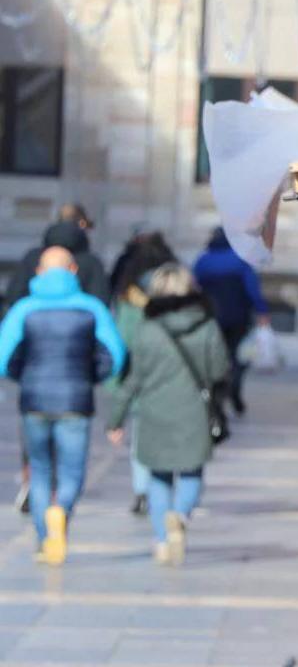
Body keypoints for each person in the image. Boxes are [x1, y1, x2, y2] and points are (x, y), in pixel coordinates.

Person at [0, 246, 126, 565]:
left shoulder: (24, 309)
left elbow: (3, 357)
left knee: (40, 469)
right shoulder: (92, 308)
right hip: (76, 399)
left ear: (39, 272)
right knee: (72, 470)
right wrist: (91, 376)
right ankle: (62, 509)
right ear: (73, 270)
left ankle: (44, 539)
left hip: (34, 400)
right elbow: (115, 355)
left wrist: (22, 376)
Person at [106, 263, 230, 565]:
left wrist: (116, 419)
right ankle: (182, 516)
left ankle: (162, 539)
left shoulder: (147, 330)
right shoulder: (207, 326)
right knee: (192, 471)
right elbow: (219, 370)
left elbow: (133, 379)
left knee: (158, 477)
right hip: (194, 412)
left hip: (154, 413)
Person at [5, 204, 110, 514]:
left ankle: (35, 494)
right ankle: (60, 505)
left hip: (35, 372)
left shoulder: (30, 265)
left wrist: (18, 369)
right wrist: (97, 371)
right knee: (72, 456)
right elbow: (107, 331)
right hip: (77, 374)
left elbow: (12, 307)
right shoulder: (90, 265)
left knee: (37, 449)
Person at [107, 230, 178, 516]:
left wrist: (117, 380)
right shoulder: (176, 290)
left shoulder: (129, 295)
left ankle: (141, 491)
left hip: (140, 370)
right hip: (172, 373)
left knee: (140, 436)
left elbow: (122, 338)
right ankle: (162, 484)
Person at [192, 227, 269, 416]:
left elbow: (193, 289)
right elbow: (252, 290)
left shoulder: (203, 262)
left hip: (211, 319)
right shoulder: (241, 262)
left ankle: (216, 395)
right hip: (238, 318)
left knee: (214, 357)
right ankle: (234, 386)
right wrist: (262, 311)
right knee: (237, 357)